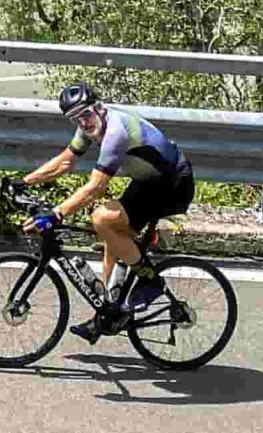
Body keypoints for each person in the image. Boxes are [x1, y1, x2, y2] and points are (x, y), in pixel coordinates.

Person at [19, 83, 195, 342]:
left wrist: (56, 214)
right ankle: (108, 312)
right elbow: (66, 161)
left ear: (99, 107)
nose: (83, 122)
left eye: (86, 114)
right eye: (76, 118)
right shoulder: (89, 126)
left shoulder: (115, 131)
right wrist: (23, 182)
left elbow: (95, 188)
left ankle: (150, 282)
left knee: (102, 218)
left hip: (173, 184)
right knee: (111, 233)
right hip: (148, 183)